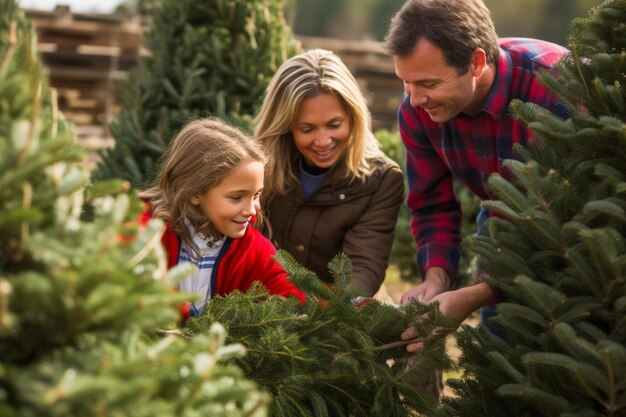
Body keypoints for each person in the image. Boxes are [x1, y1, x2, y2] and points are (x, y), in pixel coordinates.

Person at [384, 0, 571, 351]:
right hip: (501, 213)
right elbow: (432, 203)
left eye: (427, 83)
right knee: (501, 349)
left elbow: (569, 218)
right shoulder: (416, 110)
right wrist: (436, 279)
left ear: (476, 62)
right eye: (406, 82)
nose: (414, 99)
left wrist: (473, 296)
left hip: (574, 224)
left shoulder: (556, 89)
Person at [254, 48, 405, 297]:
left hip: (337, 312)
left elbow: (363, 266)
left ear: (353, 117)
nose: (323, 141)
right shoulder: (258, 169)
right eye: (307, 128)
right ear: (285, 126)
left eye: (334, 125)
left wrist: (333, 312)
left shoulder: (381, 179)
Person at [138, 118, 306, 320]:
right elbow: (136, 277)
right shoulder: (145, 229)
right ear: (195, 193)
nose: (252, 209)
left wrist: (341, 309)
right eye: (237, 197)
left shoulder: (253, 249)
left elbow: (291, 292)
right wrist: (185, 313)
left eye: (256, 195)